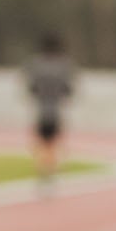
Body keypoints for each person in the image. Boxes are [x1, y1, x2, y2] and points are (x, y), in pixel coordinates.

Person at [23, 30, 78, 174]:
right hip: (56, 108)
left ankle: (44, 166)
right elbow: (68, 89)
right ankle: (51, 166)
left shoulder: (36, 64)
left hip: (42, 108)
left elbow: (32, 87)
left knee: (42, 140)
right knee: (53, 140)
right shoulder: (64, 65)